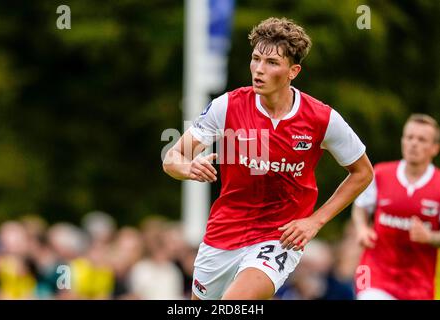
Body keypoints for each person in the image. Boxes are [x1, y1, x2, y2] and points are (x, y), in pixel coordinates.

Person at [163, 17, 373, 300]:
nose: (259, 70)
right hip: (223, 234)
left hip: (278, 238)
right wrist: (187, 168)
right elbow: (172, 158)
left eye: (272, 63)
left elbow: (362, 172)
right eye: (256, 59)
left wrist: (315, 221)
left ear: (293, 71)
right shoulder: (227, 107)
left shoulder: (321, 118)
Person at [352, 114, 440, 300]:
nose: (413, 144)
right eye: (409, 137)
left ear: (434, 148)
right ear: (402, 140)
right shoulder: (381, 173)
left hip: (419, 283)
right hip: (373, 273)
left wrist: (430, 237)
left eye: (421, 139)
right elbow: (360, 207)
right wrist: (361, 228)